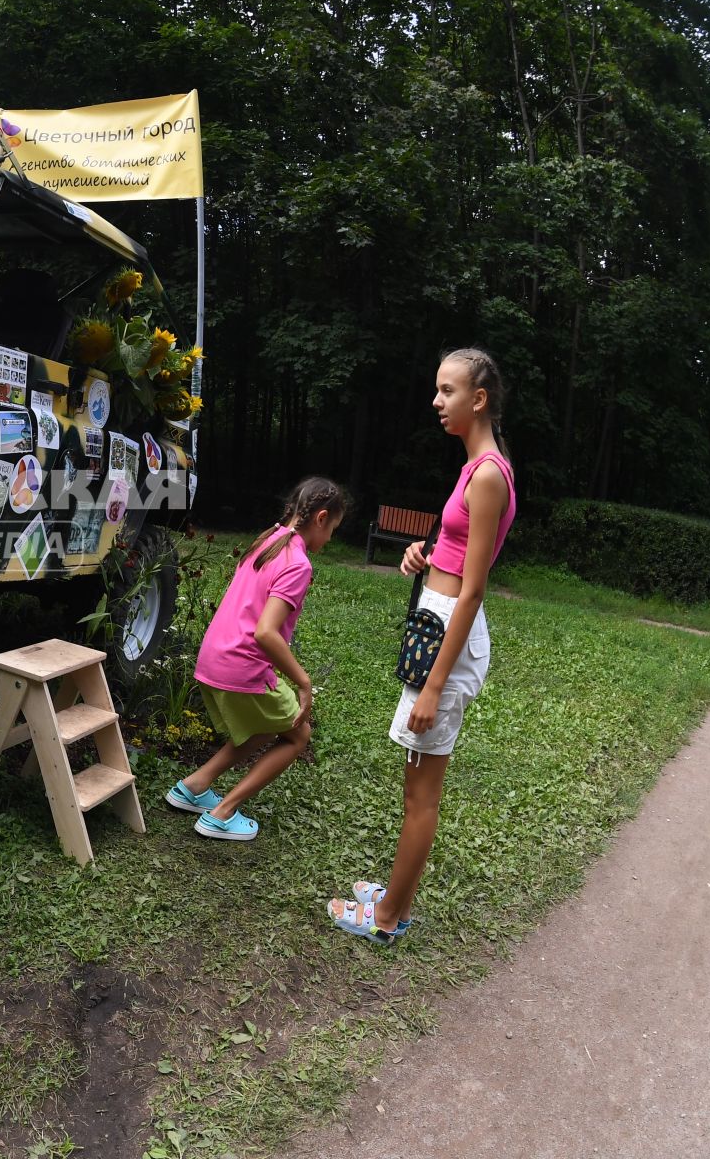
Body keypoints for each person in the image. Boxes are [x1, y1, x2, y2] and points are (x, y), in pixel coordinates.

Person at [329, 348, 516, 943]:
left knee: (421, 793)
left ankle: (387, 920)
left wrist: (434, 684)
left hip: (450, 640)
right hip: (437, 624)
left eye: (447, 391)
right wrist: (424, 555)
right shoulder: (473, 467)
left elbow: (475, 590)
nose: (437, 402)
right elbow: (457, 556)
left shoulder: (487, 474)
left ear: (478, 399)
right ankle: (397, 896)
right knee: (415, 779)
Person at [166, 477, 349, 840]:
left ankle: (194, 785)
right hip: (241, 665)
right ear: (321, 518)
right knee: (298, 736)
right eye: (333, 530)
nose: (330, 540)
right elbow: (266, 632)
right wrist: (304, 681)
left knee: (267, 724)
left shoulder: (268, 539)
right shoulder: (297, 562)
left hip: (212, 657)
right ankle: (222, 813)